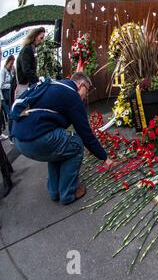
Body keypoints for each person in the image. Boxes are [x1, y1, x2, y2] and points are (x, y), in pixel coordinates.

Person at [11, 72, 115, 205]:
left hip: (19, 140)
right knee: (76, 144)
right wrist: (104, 157)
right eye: (87, 91)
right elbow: (85, 133)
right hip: (35, 139)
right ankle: (68, 193)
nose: (85, 96)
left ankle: (54, 192)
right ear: (81, 84)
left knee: (58, 147)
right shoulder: (71, 94)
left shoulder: (56, 86)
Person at [15, 27, 45, 98]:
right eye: (41, 38)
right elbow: (26, 70)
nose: (42, 40)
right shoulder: (27, 49)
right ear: (35, 36)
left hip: (26, 84)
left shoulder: (32, 49)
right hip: (22, 86)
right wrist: (37, 81)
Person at [0, 55, 16, 139]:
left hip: (9, 96)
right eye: (11, 63)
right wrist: (10, 86)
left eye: (13, 63)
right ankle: (11, 136)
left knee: (11, 114)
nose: (12, 65)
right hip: (3, 98)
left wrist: (14, 72)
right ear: (7, 62)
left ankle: (13, 134)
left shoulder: (10, 72)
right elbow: (1, 85)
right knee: (10, 115)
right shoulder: (3, 71)